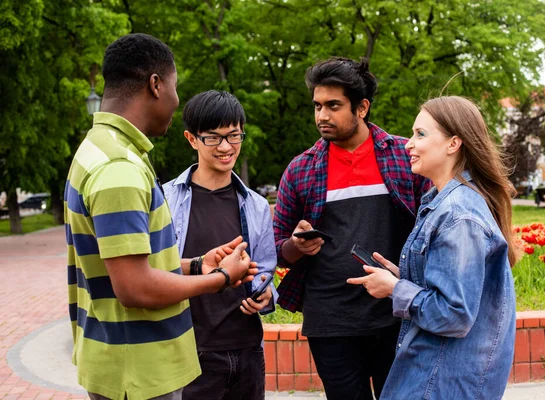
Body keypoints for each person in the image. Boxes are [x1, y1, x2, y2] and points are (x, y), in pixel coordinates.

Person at [64, 34, 258, 400]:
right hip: (138, 371)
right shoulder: (119, 167)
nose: (176, 100)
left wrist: (197, 265)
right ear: (155, 84)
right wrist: (220, 278)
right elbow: (135, 287)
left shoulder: (98, 150)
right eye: (174, 86)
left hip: (119, 358)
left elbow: (122, 266)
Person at [273, 57, 430, 400]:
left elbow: (434, 230)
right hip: (331, 320)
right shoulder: (301, 169)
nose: (321, 116)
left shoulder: (406, 157)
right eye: (317, 106)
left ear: (362, 107)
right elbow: (277, 250)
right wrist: (297, 246)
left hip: (396, 312)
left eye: (333, 105)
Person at [347, 96, 517, 399]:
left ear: (453, 144)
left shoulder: (458, 215)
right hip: (435, 375)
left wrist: (394, 289)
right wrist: (402, 277)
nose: (408, 144)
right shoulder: (443, 204)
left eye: (420, 134)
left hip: (442, 382)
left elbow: (453, 314)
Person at [163, 90, 278, 400]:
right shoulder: (166, 200)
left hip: (247, 349)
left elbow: (266, 269)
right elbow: (155, 270)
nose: (226, 147)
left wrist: (265, 294)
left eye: (234, 135)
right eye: (213, 138)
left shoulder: (255, 205)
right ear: (191, 139)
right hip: (190, 350)